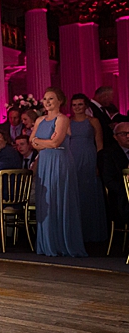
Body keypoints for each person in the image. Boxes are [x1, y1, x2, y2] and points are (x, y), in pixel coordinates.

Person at [30, 87, 87, 257]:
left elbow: (56, 143)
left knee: (58, 199)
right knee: (45, 200)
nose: (47, 102)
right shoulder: (40, 120)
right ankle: (47, 243)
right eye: (45, 99)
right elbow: (31, 142)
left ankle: (62, 242)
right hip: (44, 162)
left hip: (59, 162)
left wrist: (39, 141)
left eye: (51, 99)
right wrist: (42, 141)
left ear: (59, 101)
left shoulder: (63, 119)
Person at [68, 94, 107, 242]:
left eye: (80, 104)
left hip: (88, 159)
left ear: (86, 106)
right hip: (72, 158)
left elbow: (100, 143)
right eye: (74, 105)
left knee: (88, 194)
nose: (77, 107)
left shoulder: (93, 121)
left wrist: (98, 163)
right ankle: (75, 232)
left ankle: (91, 233)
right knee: (74, 194)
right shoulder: (68, 121)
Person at [99, 121, 129, 228]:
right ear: (115, 137)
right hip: (121, 199)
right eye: (123, 134)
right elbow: (109, 181)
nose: (128, 136)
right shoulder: (109, 154)